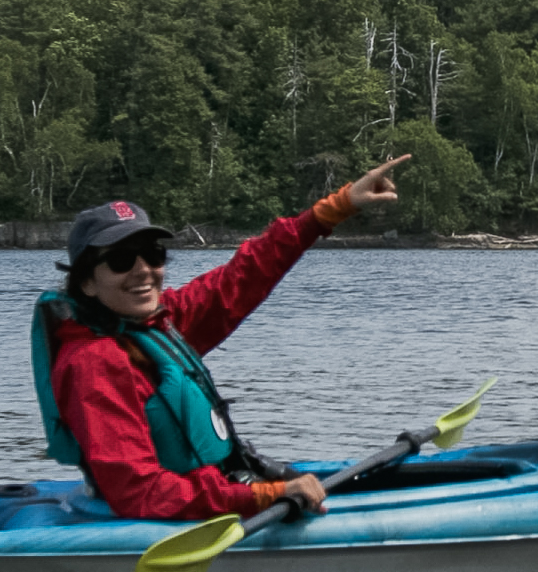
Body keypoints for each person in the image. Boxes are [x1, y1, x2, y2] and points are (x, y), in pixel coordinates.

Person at [31, 157, 409, 526]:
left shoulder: (161, 322)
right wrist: (260, 497)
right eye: (121, 260)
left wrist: (335, 208)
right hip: (170, 512)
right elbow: (140, 493)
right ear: (86, 283)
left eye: (153, 254)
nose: (143, 269)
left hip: (222, 485)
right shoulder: (94, 364)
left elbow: (244, 275)